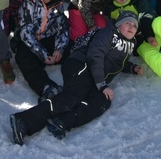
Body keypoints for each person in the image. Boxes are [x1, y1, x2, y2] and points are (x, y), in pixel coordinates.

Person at [9, 11, 143, 145]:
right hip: (81, 64)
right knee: (72, 97)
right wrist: (102, 84)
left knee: (102, 101)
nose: (131, 27)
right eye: (128, 23)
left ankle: (62, 121)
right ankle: (24, 120)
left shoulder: (128, 44)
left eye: (134, 25)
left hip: (95, 75)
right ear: (119, 25)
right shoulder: (108, 33)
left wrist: (131, 68)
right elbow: (95, 55)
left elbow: (117, 60)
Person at [13, 0, 70, 101]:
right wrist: (43, 54)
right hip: (29, 42)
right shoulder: (29, 2)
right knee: (22, 57)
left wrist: (59, 49)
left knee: (72, 47)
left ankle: (82, 78)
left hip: (48, 38)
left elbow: (63, 27)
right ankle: (45, 87)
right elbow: (25, 33)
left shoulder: (58, 4)